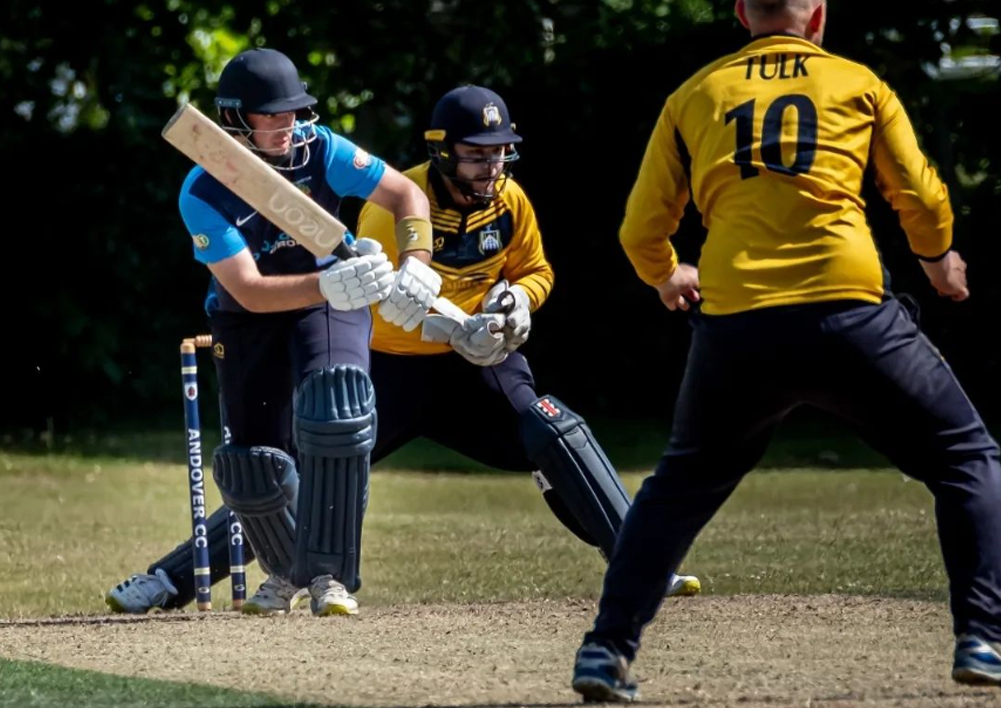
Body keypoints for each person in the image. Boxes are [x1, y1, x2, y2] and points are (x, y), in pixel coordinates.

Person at [570, 0, 1001, 703]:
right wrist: (939, 261)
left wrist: (666, 273)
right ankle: (982, 636)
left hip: (738, 324)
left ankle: (605, 653)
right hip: (849, 313)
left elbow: (641, 226)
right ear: (819, 18)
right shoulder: (857, 82)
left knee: (677, 486)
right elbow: (921, 196)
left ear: (743, 15)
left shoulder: (695, 94)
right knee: (968, 459)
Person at [105, 84, 701, 615]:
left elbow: (537, 269)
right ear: (443, 151)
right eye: (476, 152)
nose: (490, 164)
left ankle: (642, 564)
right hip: (393, 364)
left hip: (477, 367)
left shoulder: (511, 200)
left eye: (497, 151)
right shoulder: (401, 198)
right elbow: (387, 303)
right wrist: (452, 324)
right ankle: (171, 578)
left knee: (554, 428)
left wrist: (520, 301)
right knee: (310, 470)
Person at [109, 47, 441, 618]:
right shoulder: (204, 190)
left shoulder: (323, 149)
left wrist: (418, 258)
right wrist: (330, 284)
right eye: (274, 114)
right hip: (250, 316)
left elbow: (405, 194)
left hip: (331, 304)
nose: (289, 124)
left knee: (338, 413)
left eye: (295, 111)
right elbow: (248, 291)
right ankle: (288, 573)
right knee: (253, 467)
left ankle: (330, 578)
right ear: (236, 118)